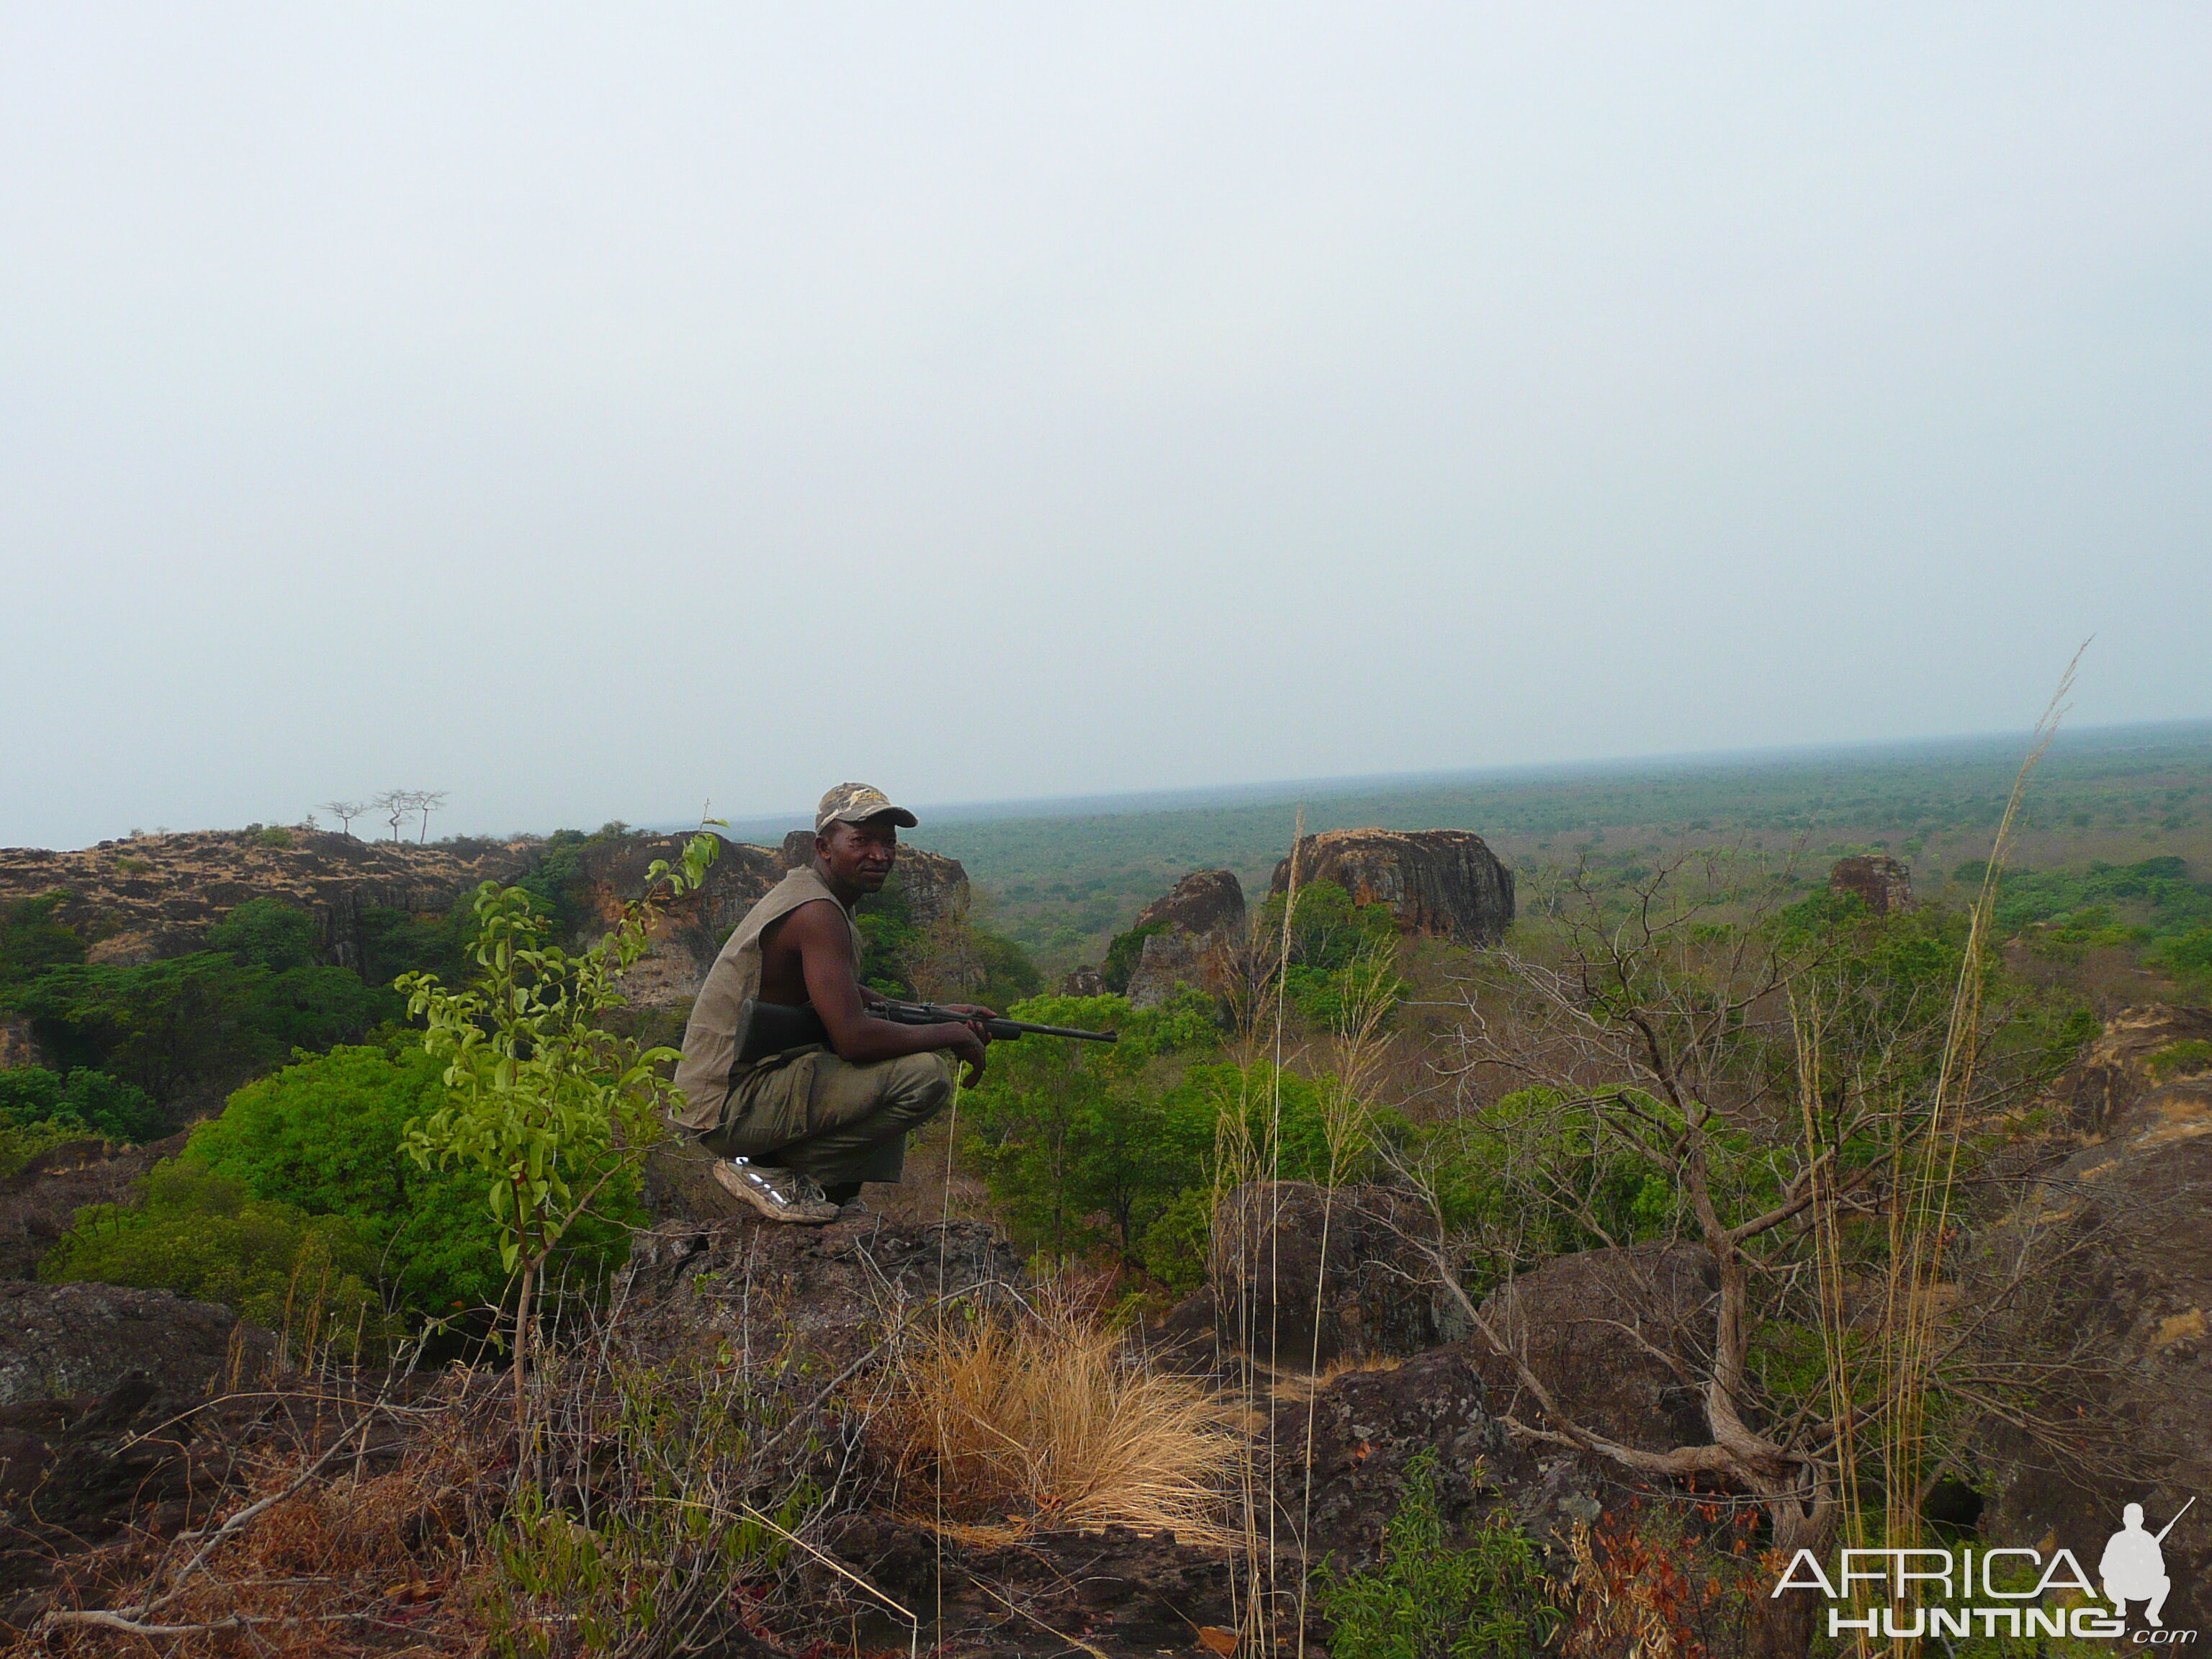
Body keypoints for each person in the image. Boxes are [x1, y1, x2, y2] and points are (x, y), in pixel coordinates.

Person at [673, 783, 992, 1223]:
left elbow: (843, 995)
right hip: (729, 1106)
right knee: (923, 1076)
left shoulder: (821, 896)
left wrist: (936, 1014)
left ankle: (831, 1188)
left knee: (897, 1058)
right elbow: (853, 1039)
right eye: (861, 841)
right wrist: (950, 1035)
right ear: (824, 847)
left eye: (888, 843)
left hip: (741, 1092)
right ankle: (769, 1168)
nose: (879, 855)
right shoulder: (818, 912)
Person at [2100, 1503, 2172, 1627]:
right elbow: (2104, 1568)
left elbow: (2161, 1569)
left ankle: (2152, 1613)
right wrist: (2122, 1569)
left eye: (2136, 1518)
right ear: (2124, 1520)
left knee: (2165, 1582)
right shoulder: (2117, 1539)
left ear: (2141, 1520)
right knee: (2107, 1581)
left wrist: (2149, 1560)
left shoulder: (2149, 1540)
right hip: (2123, 1587)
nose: (2133, 1522)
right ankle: (2120, 1604)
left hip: (2143, 1587)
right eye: (2130, 1518)